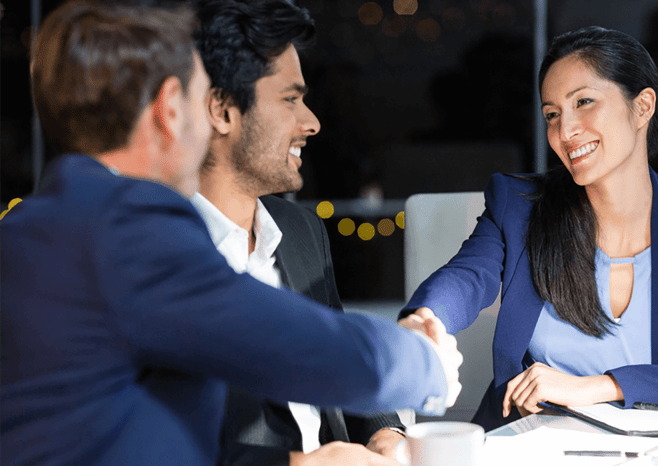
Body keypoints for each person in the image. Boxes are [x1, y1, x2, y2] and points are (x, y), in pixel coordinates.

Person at [0, 2, 461, 465]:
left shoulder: (38, 226)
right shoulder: (124, 227)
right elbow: (296, 347)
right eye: (197, 103)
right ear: (169, 110)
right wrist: (426, 363)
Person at [401, 26, 658, 431]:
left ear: (643, 106)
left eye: (584, 101)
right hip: (533, 445)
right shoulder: (519, 206)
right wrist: (424, 319)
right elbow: (465, 278)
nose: (565, 132)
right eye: (552, 114)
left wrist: (602, 386)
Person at [191, 1, 410, 464]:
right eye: (290, 100)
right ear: (223, 110)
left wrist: (386, 432)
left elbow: (342, 367)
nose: (311, 122)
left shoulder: (301, 231)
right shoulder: (153, 258)